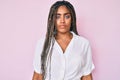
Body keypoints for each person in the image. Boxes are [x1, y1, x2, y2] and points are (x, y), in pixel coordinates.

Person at [32, 0, 95, 80]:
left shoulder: (83, 44)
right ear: (52, 20)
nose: (62, 21)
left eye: (67, 16)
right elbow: (37, 76)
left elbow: (86, 76)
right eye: (57, 17)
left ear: (72, 19)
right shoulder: (42, 43)